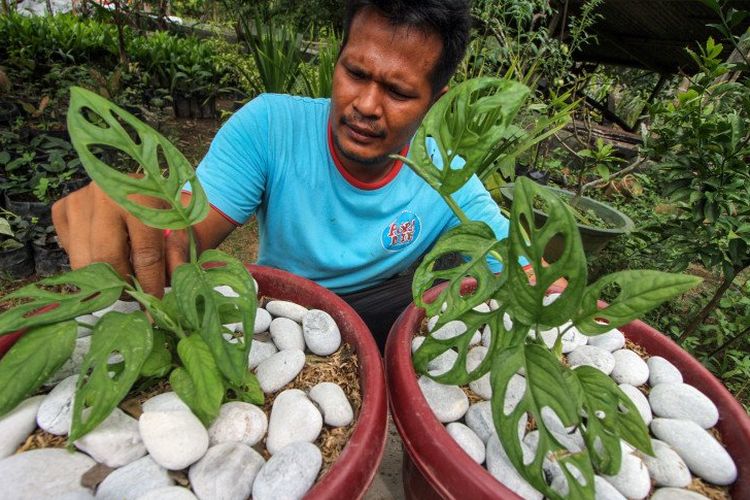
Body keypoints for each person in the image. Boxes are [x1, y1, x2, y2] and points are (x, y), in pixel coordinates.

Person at [52, 0, 511, 352]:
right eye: (355, 72)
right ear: (338, 61)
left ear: (436, 101)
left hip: (375, 311)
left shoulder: (448, 177)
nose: (366, 105)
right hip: (277, 315)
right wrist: (133, 213)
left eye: (397, 91)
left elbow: (520, 264)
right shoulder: (270, 127)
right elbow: (181, 234)